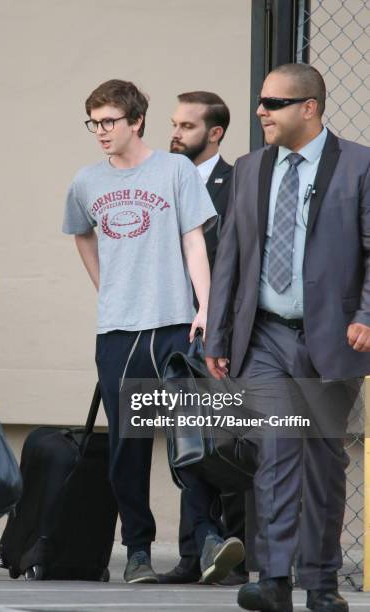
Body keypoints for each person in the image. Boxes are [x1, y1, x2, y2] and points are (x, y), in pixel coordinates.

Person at [62, 79, 244, 584]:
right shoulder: (85, 182)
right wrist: (106, 285)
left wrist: (204, 306)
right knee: (128, 443)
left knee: (193, 436)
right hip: (118, 330)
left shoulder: (175, 170)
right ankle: (137, 552)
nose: (100, 132)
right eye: (93, 122)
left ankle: (207, 537)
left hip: (175, 325)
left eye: (109, 122)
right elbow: (80, 232)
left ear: (136, 121)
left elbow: (193, 241)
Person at [205, 62, 370, 612]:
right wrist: (219, 336)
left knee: (323, 462)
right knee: (276, 452)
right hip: (266, 337)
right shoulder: (251, 168)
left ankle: (321, 586)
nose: (260, 112)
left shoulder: (360, 166)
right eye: (260, 101)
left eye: (272, 103)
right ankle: (274, 581)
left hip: (333, 339)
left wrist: (366, 314)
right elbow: (230, 254)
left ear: (310, 108)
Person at [160, 91, 248, 586]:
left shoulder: (235, 184)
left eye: (187, 126)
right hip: (165, 327)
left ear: (214, 133)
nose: (175, 133)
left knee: (220, 443)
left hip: (216, 334)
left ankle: (226, 551)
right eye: (173, 123)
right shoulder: (161, 179)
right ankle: (198, 553)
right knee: (186, 442)